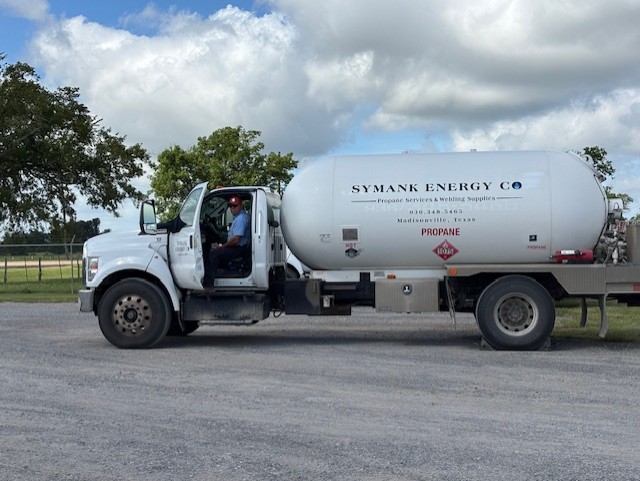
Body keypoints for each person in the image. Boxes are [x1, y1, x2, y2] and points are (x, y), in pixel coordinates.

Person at [203, 196, 250, 286]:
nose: (232, 208)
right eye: (230, 206)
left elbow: (236, 239)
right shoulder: (239, 217)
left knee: (214, 254)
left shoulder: (241, 219)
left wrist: (222, 246)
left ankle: (208, 285)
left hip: (238, 249)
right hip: (239, 247)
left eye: (235, 206)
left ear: (240, 206)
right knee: (217, 251)